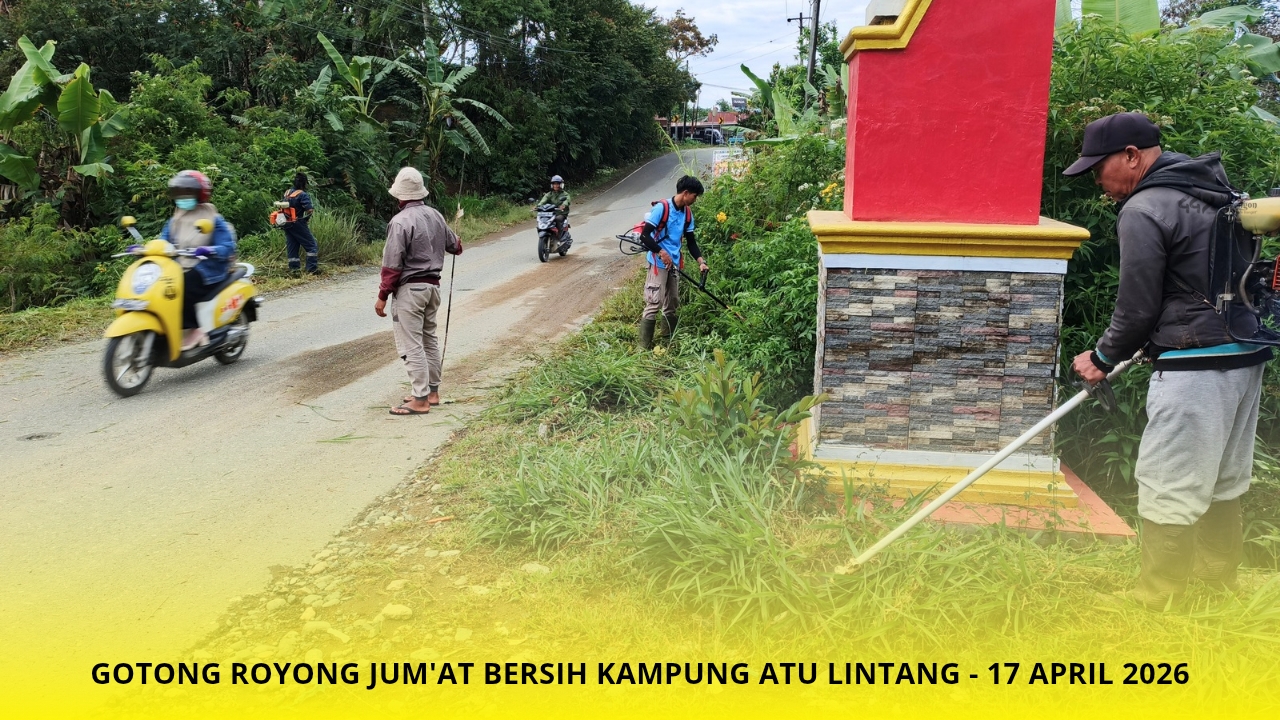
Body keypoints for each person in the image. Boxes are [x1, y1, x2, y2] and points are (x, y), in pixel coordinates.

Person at [1064, 112, 1270, 609]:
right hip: (1247, 356)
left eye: (1099, 169)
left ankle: (1157, 597)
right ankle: (1217, 581)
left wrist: (1102, 355)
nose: (1098, 182)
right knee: (1224, 475)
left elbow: (1136, 307)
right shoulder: (1219, 193)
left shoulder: (1145, 208)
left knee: (1166, 476)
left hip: (1195, 363)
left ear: (1132, 156)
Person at [375, 167, 462, 416]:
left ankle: (420, 399)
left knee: (412, 343)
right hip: (432, 288)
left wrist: (382, 296)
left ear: (400, 196)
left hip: (410, 291)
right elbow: (455, 246)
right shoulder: (435, 215)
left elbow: (392, 265)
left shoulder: (400, 221)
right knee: (429, 339)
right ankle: (432, 392)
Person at [160, 170, 237, 351]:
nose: (182, 197)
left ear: (199, 193)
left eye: (187, 192)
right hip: (181, 266)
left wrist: (209, 250)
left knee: (182, 286)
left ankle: (194, 328)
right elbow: (163, 241)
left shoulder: (212, 218)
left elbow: (227, 247)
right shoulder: (176, 218)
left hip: (208, 268)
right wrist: (145, 248)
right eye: (179, 193)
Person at [636, 174, 707, 349]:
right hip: (658, 262)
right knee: (654, 302)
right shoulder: (662, 208)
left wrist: (700, 261)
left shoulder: (687, 213)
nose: (695, 200)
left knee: (672, 301)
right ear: (685, 192)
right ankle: (643, 347)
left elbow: (691, 241)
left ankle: (667, 340)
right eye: (695, 196)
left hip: (674, 264)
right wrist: (661, 252)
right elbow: (645, 235)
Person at [283, 172, 319, 274]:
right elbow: (309, 210)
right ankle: (311, 269)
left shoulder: (287, 193)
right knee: (312, 245)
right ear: (304, 183)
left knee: (293, 246)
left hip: (286, 223)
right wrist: (306, 220)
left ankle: (294, 270)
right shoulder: (302, 195)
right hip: (298, 222)